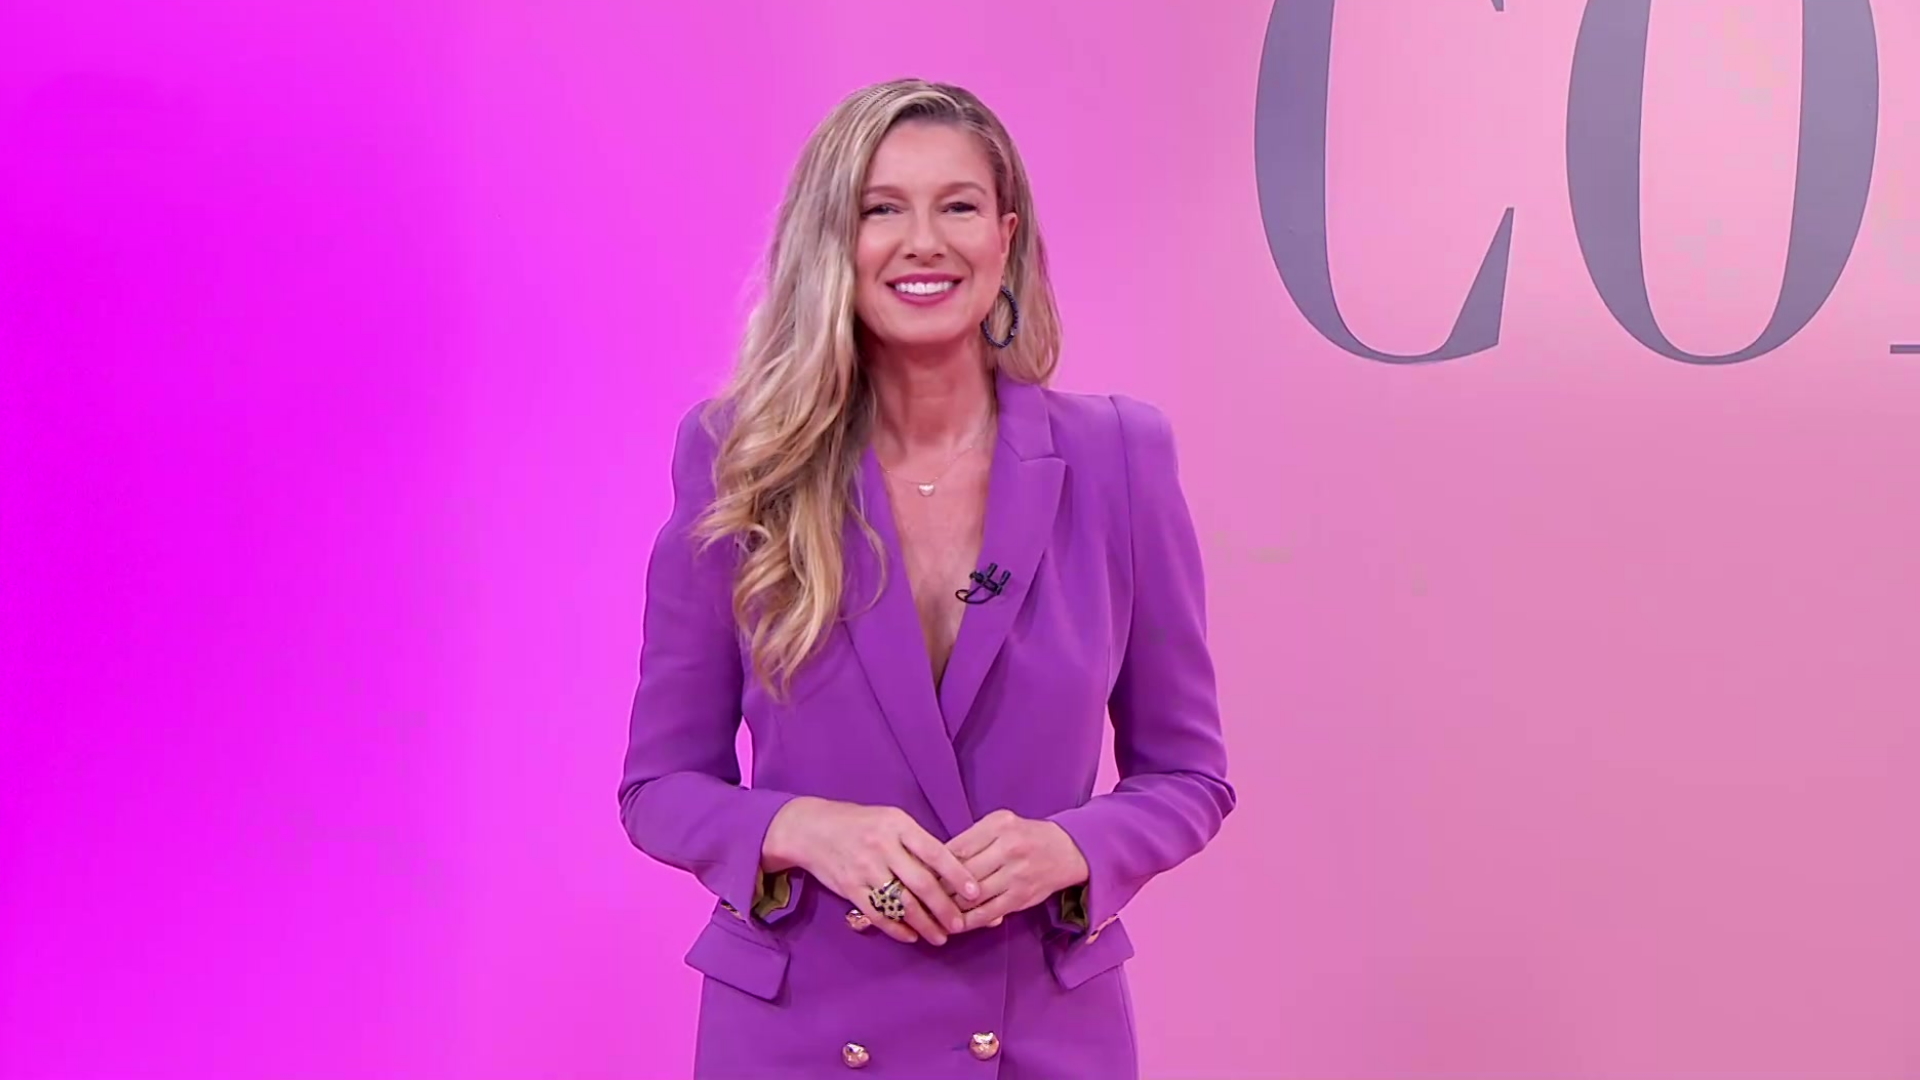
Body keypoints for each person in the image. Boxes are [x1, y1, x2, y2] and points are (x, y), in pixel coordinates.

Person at [618, 77, 1234, 1079]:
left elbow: (1189, 776)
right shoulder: (738, 458)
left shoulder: (1120, 456)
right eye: (881, 209)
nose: (924, 243)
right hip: (800, 1034)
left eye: (957, 206)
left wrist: (1072, 850)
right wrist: (803, 829)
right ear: (834, 238)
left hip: (1039, 1038)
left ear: (1005, 236)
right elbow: (659, 787)